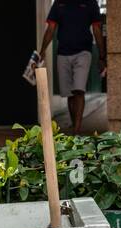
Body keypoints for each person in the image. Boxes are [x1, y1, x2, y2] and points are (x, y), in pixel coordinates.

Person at [39, 0, 106, 134]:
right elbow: (51, 28)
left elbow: (97, 29)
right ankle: (74, 123)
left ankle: (77, 129)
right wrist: (42, 51)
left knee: (79, 90)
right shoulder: (59, 3)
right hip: (63, 53)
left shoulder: (91, 3)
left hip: (83, 52)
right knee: (69, 93)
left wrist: (102, 56)